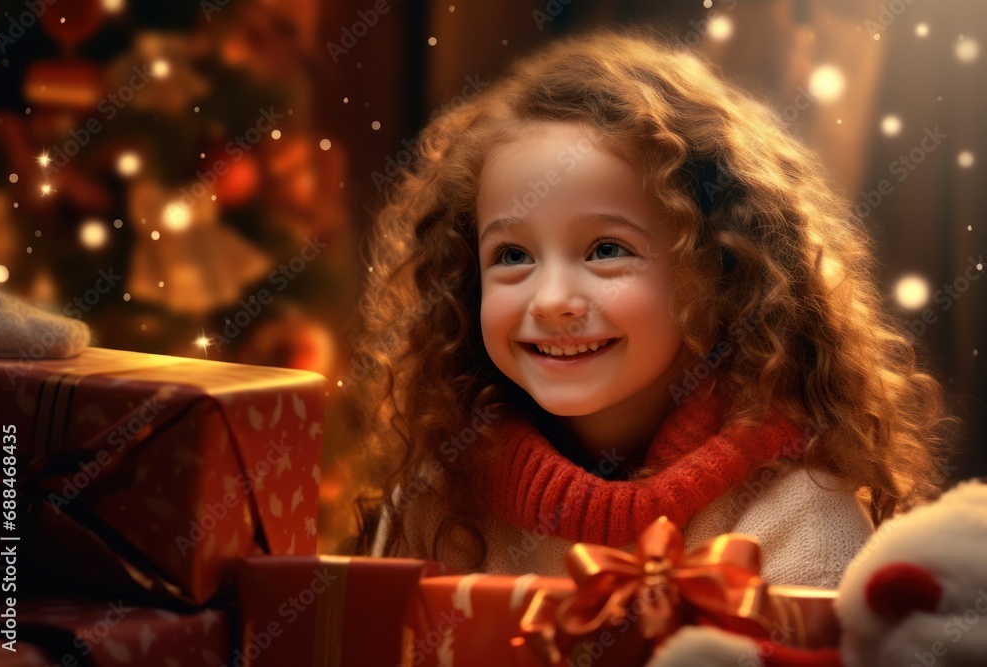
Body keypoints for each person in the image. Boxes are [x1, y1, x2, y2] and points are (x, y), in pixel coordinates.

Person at [347, 27, 951, 588]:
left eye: (607, 249)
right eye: (511, 255)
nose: (552, 300)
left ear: (722, 272)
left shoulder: (800, 522)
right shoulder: (439, 505)